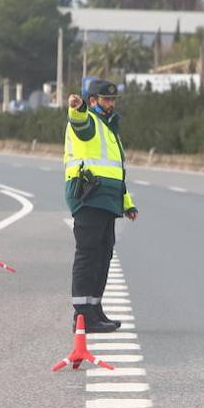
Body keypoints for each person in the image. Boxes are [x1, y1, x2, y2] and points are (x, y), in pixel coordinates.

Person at [65, 79, 138, 334]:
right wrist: (77, 107)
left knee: (104, 253)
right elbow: (80, 122)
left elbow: (117, 172)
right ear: (92, 100)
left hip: (107, 198)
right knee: (88, 253)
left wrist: (127, 204)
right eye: (105, 99)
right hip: (88, 195)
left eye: (113, 100)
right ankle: (82, 315)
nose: (110, 103)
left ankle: (95, 309)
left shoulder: (110, 127)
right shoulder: (89, 122)